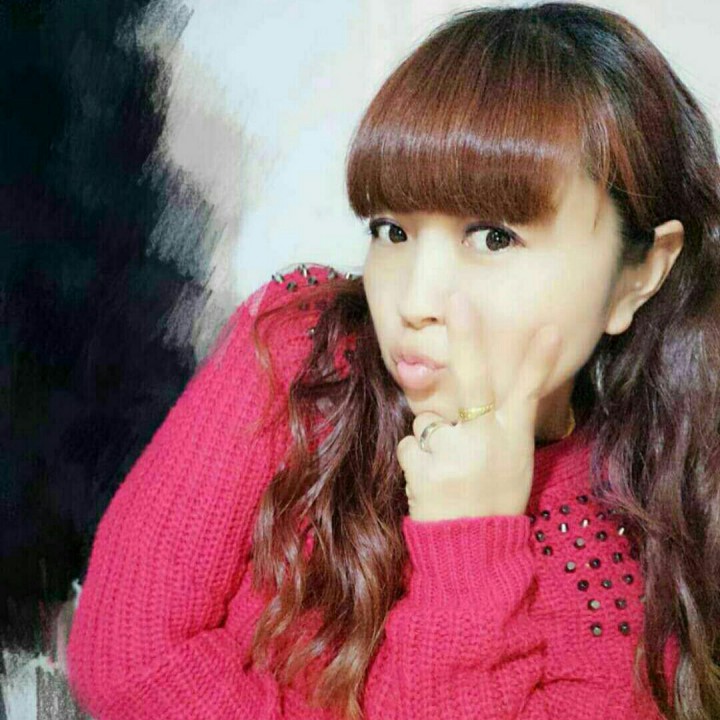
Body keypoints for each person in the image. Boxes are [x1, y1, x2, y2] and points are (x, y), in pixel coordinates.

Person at [65, 3, 720, 719]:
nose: (415, 299)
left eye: (494, 238)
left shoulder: (637, 562)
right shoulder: (302, 355)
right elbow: (128, 663)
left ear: (639, 273)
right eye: (392, 230)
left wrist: (468, 542)